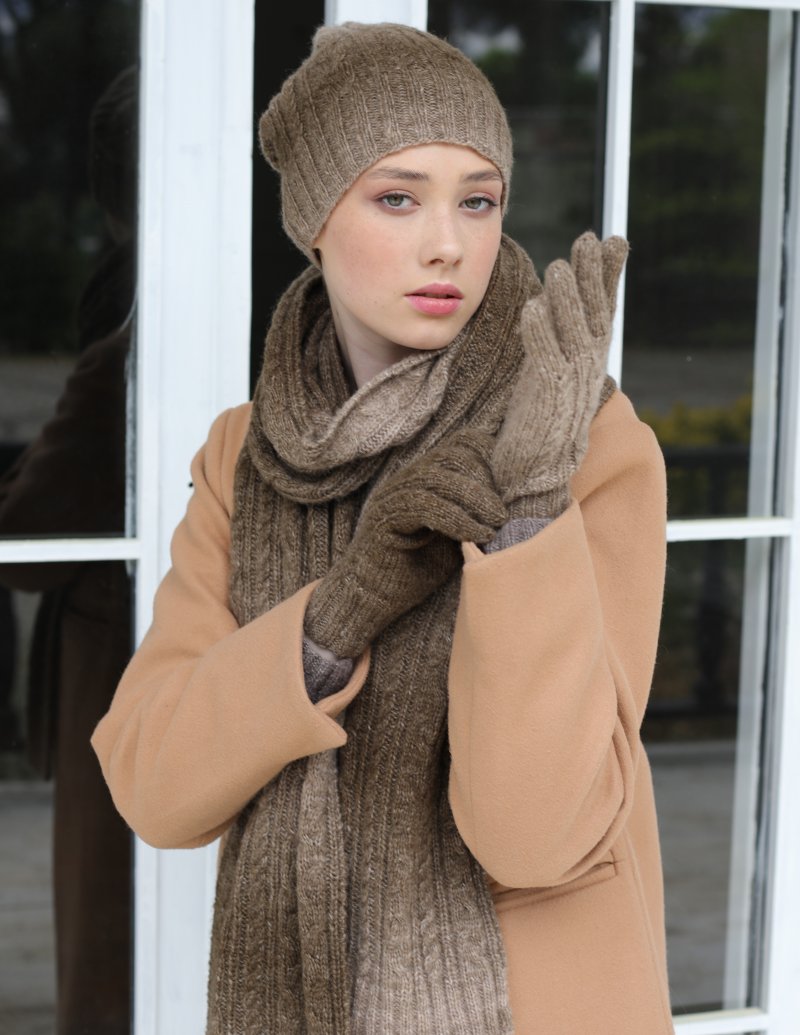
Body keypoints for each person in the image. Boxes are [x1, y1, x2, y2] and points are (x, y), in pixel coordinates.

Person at [92, 22, 671, 1035]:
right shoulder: (242, 456)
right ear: (313, 219)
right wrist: (334, 619)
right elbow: (154, 787)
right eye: (397, 197)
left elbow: (537, 836)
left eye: (477, 200)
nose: (448, 242)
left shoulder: (591, 441)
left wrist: (529, 510)